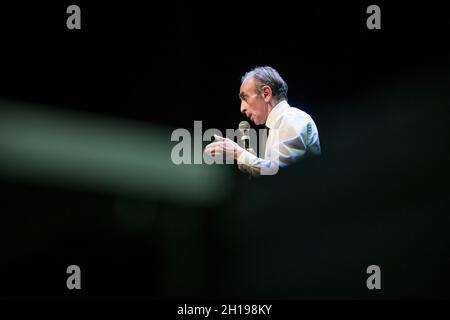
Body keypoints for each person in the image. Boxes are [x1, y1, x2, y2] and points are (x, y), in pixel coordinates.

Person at [204, 66, 321, 176]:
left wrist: (237, 152)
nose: (242, 108)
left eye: (245, 98)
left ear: (266, 94)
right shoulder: (280, 123)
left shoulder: (291, 118)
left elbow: (279, 173)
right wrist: (250, 163)